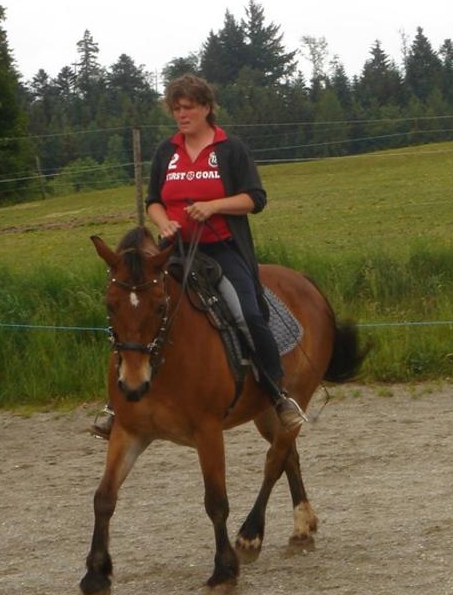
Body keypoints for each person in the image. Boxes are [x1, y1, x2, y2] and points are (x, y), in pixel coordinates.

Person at [92, 74, 307, 438]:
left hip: (223, 249)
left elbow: (255, 199)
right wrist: (164, 223)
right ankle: (117, 405)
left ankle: (277, 394)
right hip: (173, 252)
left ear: (207, 107)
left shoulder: (230, 149)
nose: (181, 114)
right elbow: (154, 201)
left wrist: (213, 206)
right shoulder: (167, 152)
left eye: (188, 107)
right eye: (176, 108)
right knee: (135, 313)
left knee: (248, 314)